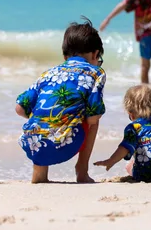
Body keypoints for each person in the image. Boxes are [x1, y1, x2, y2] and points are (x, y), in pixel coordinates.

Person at [16, 17, 106, 184]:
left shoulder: (48, 73)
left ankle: (39, 175)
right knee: (94, 119)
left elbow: (20, 108)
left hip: (32, 143)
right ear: (95, 54)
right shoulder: (95, 72)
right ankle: (82, 170)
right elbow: (93, 118)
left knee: (40, 116)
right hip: (65, 144)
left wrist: (47, 119)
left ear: (65, 56)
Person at [94, 85, 151, 182]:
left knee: (129, 166)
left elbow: (125, 148)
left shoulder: (133, 128)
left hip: (148, 175)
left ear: (130, 113)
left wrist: (111, 161)